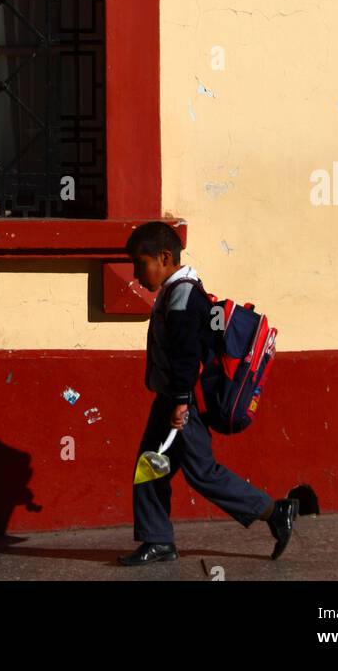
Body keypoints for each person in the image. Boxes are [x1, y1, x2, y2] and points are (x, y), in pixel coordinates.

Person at [118, 221, 298, 566]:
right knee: (150, 464)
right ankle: (158, 541)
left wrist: (182, 402)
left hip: (184, 402)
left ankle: (274, 511)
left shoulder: (184, 296)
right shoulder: (177, 291)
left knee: (201, 471)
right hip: (172, 398)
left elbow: (187, 355)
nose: (136, 274)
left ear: (165, 257)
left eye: (140, 264)